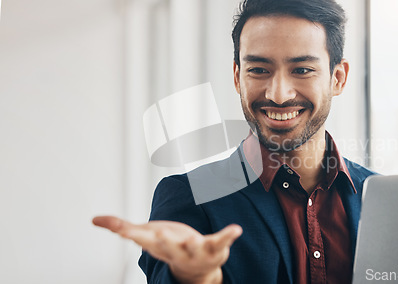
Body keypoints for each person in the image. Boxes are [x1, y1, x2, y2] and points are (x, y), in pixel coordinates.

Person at [93, 0, 376, 283]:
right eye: (259, 70)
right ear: (237, 77)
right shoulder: (189, 195)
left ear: (337, 78)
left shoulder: (382, 199)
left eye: (302, 70)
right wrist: (195, 274)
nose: (278, 95)